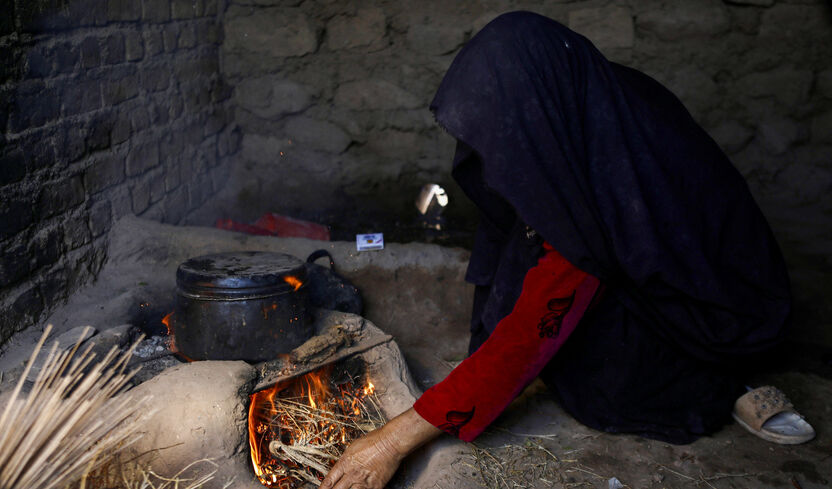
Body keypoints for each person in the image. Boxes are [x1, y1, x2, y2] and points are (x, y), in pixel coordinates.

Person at [321, 11, 797, 489]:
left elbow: (531, 329)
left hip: (711, 300)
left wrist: (390, 442)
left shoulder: (607, 176)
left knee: (609, 381)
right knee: (521, 246)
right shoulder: (571, 109)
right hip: (631, 253)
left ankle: (731, 382)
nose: (494, 154)